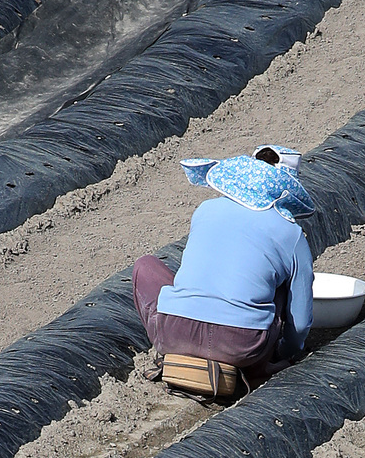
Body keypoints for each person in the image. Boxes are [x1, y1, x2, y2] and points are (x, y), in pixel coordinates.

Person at [133, 145, 314, 377]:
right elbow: (299, 322)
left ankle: (176, 352)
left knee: (145, 265)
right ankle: (259, 369)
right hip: (241, 347)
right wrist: (285, 351)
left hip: (173, 333)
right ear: (286, 189)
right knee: (281, 286)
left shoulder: (206, 209)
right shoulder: (291, 233)